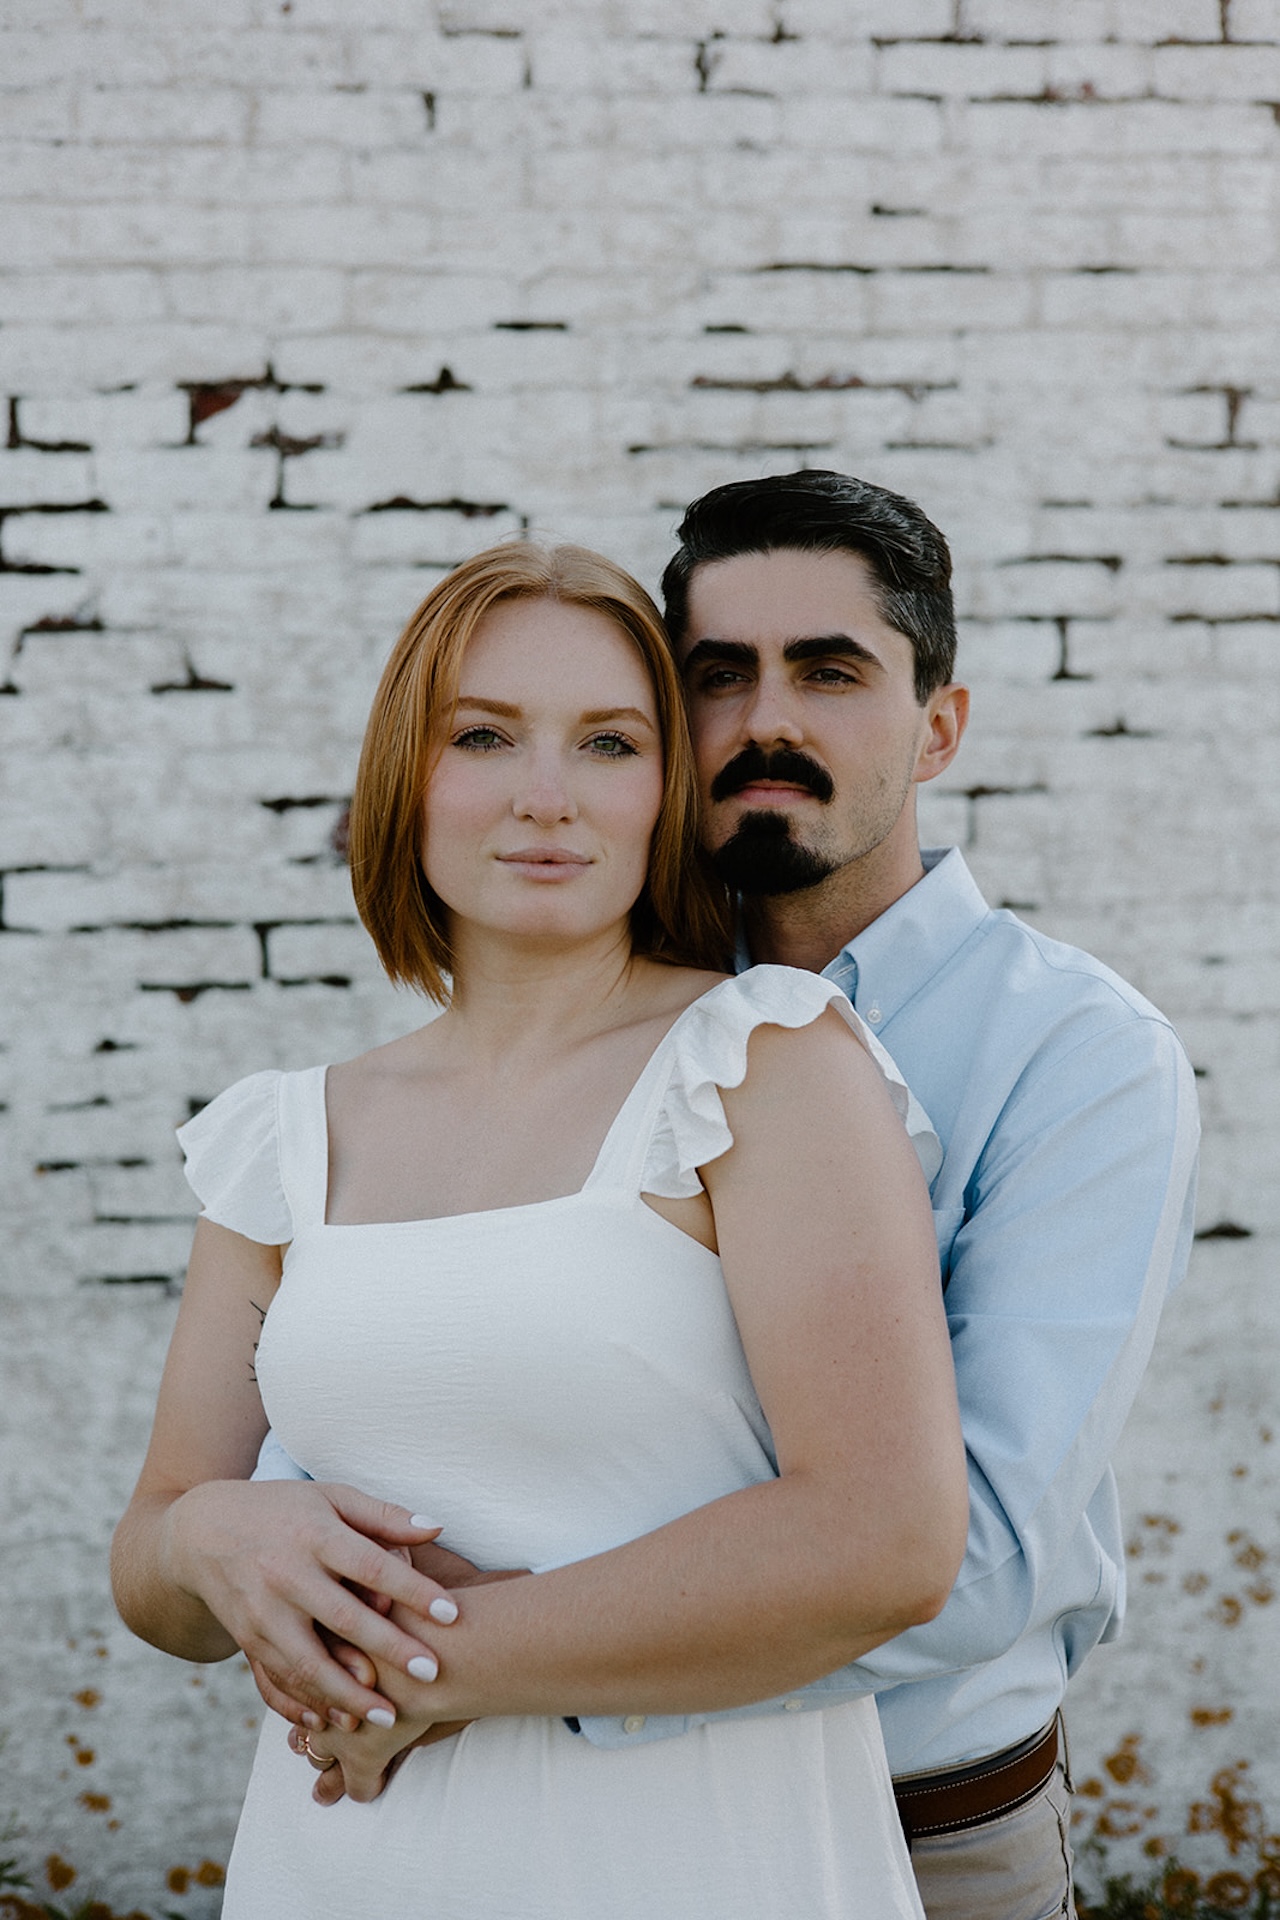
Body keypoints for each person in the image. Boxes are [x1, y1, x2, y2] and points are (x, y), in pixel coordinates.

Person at [259, 472, 1200, 1920]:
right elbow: (366, 1437)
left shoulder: (1078, 1055)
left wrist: (449, 1662)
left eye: (831, 672)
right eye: (718, 676)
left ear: (939, 726)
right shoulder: (581, 1021)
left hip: (919, 1835)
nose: (768, 722)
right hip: (514, 1811)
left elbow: (976, 1557)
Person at [111, 540, 968, 1918]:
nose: (546, 796)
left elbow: (888, 1541)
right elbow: (154, 1567)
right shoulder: (286, 1135)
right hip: (346, 1864)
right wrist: (210, 1533)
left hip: (689, 1864)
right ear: (408, 775)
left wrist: (418, 1668)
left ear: (666, 792)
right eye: (484, 736)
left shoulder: (762, 1063)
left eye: (610, 744)